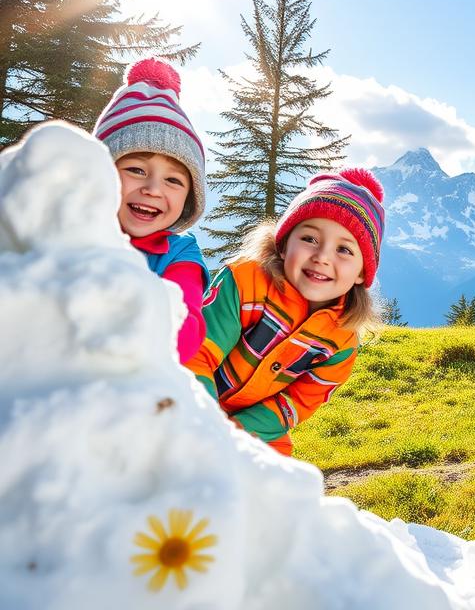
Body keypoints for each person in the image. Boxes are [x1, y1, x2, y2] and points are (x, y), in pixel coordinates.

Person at [186, 169, 385, 455]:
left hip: (254, 428)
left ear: (361, 273)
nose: (322, 257)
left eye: (344, 250)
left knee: (278, 484)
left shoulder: (341, 342)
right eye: (310, 239)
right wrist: (204, 422)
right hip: (187, 397)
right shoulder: (245, 282)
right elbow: (197, 352)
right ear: (283, 244)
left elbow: (294, 403)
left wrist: (234, 433)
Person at [93, 57, 210, 365]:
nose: (154, 189)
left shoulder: (180, 256)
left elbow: (184, 336)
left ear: (189, 198)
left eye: (173, 179)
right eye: (136, 169)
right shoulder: (65, 231)